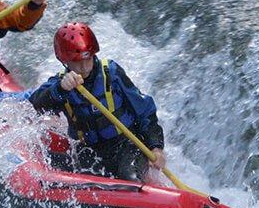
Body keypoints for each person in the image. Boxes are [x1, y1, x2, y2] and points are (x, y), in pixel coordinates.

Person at [28, 22, 167, 182]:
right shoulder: (60, 84)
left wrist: (156, 147)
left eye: (87, 58)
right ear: (65, 61)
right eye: (76, 60)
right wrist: (59, 89)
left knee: (131, 178)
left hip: (126, 146)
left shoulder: (112, 74)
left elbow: (145, 111)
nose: (83, 66)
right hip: (89, 151)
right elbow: (34, 104)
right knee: (54, 164)